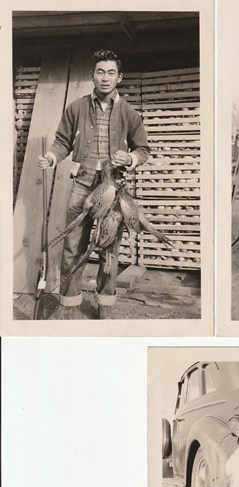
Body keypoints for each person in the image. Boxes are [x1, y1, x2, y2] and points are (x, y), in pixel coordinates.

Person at [37, 49, 150, 318]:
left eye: (111, 72)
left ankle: (104, 304)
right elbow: (62, 141)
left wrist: (130, 158)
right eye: (100, 72)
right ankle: (69, 304)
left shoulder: (129, 113)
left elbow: (143, 149)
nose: (105, 78)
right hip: (83, 184)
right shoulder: (76, 108)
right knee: (73, 246)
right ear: (92, 76)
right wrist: (51, 157)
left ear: (119, 77)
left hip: (114, 188)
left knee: (109, 247)